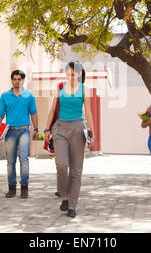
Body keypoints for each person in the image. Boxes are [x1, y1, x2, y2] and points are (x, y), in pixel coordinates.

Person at [44, 61, 95, 218]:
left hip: (78, 129)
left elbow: (88, 112)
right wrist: (47, 129)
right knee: (61, 164)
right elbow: (52, 110)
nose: (70, 77)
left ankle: (72, 205)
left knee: (76, 169)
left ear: (79, 74)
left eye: (73, 74)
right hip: (60, 128)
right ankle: (64, 195)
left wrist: (92, 133)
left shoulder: (85, 90)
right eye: (68, 74)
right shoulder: (60, 88)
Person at [0, 70, 38, 199]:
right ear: (11, 80)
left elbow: (33, 113)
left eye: (19, 79)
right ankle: (11, 188)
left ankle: (24, 187)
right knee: (10, 161)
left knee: (24, 158)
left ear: (22, 80)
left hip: (24, 130)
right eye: (15, 79)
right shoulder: (5, 96)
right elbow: (0, 114)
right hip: (10, 132)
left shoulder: (29, 96)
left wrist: (36, 129)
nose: (17, 81)